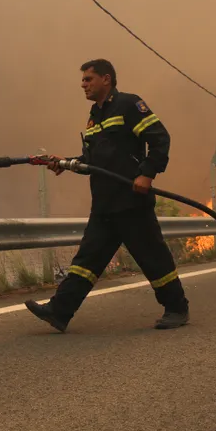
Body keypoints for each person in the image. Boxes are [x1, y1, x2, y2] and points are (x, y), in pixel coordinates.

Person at [25, 59, 190, 332]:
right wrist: (64, 162)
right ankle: (59, 311)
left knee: (153, 258)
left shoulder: (129, 105)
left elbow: (160, 138)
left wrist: (147, 174)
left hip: (131, 203)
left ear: (106, 79)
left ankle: (177, 308)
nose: (83, 84)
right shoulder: (94, 116)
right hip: (104, 204)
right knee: (86, 261)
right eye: (83, 80)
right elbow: (92, 161)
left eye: (88, 79)